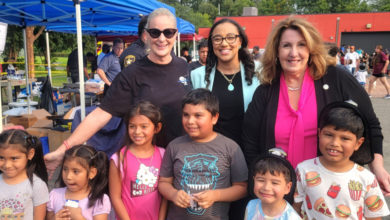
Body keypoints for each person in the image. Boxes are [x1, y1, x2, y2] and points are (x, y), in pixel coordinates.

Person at [242, 16, 390, 196]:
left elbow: (371, 123)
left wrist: (378, 166)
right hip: (279, 193)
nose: (293, 53)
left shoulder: (336, 78)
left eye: (301, 45)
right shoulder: (266, 90)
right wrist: (262, 181)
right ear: (276, 50)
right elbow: (250, 140)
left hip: (330, 190)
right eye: (286, 45)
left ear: (311, 48)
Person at [44, 8, 191, 179]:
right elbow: (100, 114)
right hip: (146, 166)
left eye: (168, 32)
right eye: (155, 32)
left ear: (175, 34)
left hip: (181, 159)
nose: (162, 38)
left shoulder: (184, 67)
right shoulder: (132, 73)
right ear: (146, 35)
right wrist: (63, 149)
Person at [158, 89, 248, 220]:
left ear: (214, 117)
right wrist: (173, 194)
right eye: (186, 115)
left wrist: (216, 195)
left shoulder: (230, 148)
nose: (190, 121)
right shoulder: (174, 146)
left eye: (198, 115)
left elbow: (242, 188)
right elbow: (163, 182)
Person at [294, 101, 390, 219]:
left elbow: (374, 217)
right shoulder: (303, 170)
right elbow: (296, 208)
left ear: (358, 143)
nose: (334, 143)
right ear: (319, 134)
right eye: (329, 135)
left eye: (345, 138)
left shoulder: (367, 179)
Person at [109, 101, 167, 220]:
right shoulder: (119, 158)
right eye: (132, 126)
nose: (137, 132)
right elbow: (115, 197)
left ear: (157, 128)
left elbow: (165, 195)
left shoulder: (163, 155)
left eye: (144, 126)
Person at [46, 145, 111, 220]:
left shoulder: (99, 200)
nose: (68, 177)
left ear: (92, 173)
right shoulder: (54, 195)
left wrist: (78, 217)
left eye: (75, 171)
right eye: (65, 169)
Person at [0, 129, 49, 220]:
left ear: (30, 154)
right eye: (1, 158)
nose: (7, 165)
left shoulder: (37, 186)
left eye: (14, 158)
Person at [245, 148, 301, 220]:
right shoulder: (251, 205)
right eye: (261, 180)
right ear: (254, 180)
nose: (266, 187)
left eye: (274, 183)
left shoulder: (291, 217)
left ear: (287, 187)